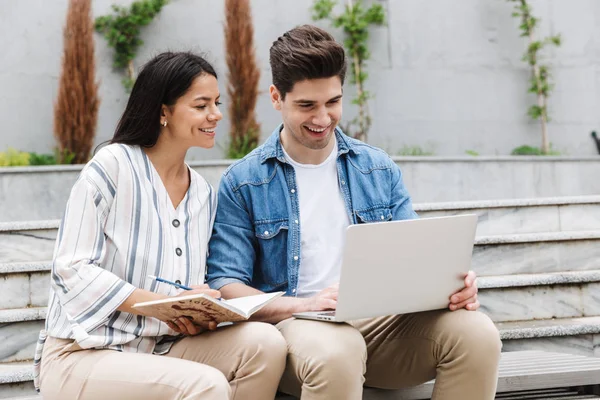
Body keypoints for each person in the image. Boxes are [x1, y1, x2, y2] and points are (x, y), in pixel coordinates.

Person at [206, 26, 502, 400]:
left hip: (380, 328)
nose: (323, 117)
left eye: (333, 102)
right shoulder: (244, 181)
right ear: (276, 98)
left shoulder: (377, 168)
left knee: (478, 333)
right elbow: (226, 283)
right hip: (297, 329)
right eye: (307, 105)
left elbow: (415, 254)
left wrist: (452, 287)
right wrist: (306, 305)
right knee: (338, 350)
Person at [35, 51, 287, 400]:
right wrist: (156, 303)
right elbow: (71, 269)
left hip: (161, 347)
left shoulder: (201, 193)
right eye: (201, 106)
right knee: (206, 385)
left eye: (216, 102)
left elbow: (184, 282)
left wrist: (195, 305)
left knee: (266, 343)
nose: (216, 114)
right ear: (163, 111)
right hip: (82, 353)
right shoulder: (112, 166)